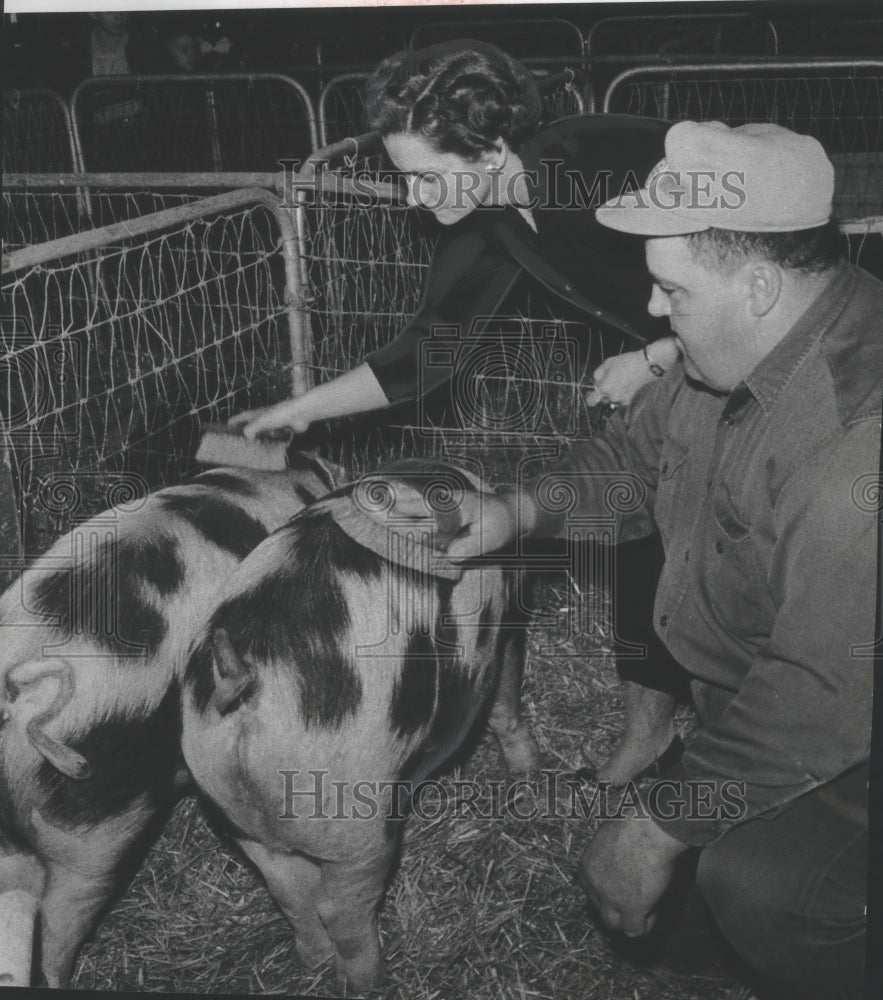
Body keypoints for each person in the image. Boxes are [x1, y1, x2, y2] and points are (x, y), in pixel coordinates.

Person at [433, 120, 879, 999]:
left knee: (763, 889)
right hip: (771, 691)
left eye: (669, 291)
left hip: (848, 713)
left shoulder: (853, 446)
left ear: (754, 285)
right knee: (669, 926)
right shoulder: (737, 355)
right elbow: (628, 467)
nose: (650, 314)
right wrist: (513, 510)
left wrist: (656, 825)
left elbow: (821, 696)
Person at [233, 40, 685, 783]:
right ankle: (649, 738)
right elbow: (426, 356)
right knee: (644, 536)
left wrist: (654, 357)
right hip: (672, 361)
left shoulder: (601, 163)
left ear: (490, 146)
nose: (412, 199)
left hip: (765, 347)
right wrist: (296, 410)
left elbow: (754, 256)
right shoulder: (492, 216)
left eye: (421, 176)